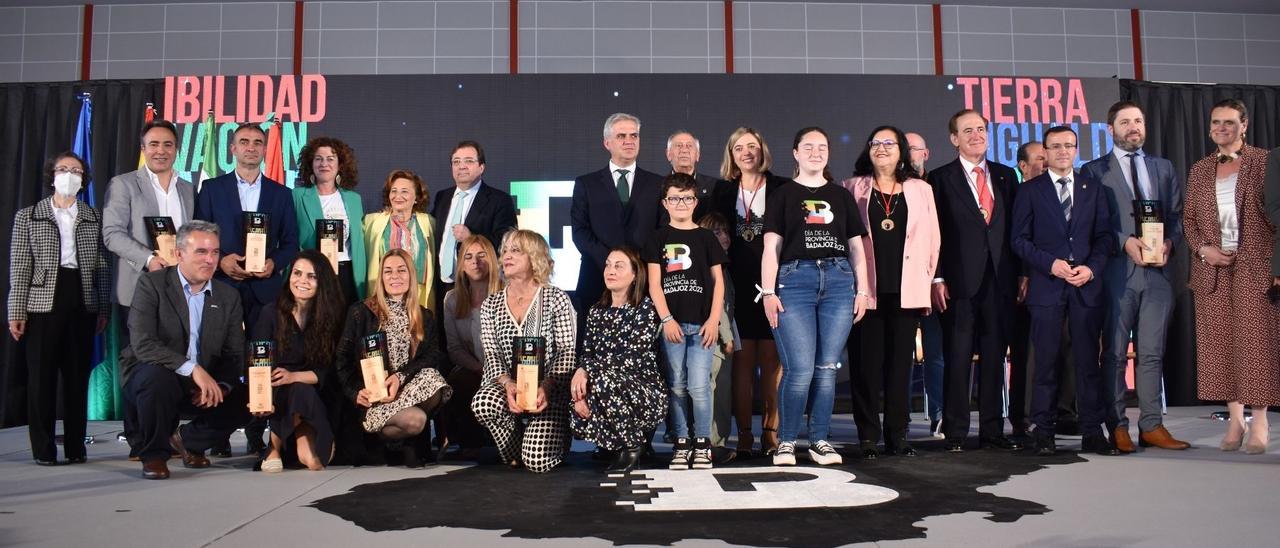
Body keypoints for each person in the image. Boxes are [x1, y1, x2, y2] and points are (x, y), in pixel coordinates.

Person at [1081, 101, 1190, 452]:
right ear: (1110, 128)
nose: (1133, 127)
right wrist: (1124, 242)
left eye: (1139, 121)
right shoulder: (1093, 171)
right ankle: (1117, 425)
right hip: (1116, 273)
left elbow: (1175, 214)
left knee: (1153, 353)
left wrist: (1171, 242)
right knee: (1113, 353)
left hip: (1158, 274)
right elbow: (1091, 225)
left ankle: (1152, 425)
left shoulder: (1163, 167)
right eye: (1125, 122)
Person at [761, 127, 868, 467]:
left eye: (822, 146)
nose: (816, 152)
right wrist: (767, 291)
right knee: (800, 369)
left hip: (839, 281)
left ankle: (820, 440)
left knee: (826, 369)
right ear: (795, 153)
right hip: (794, 281)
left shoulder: (841, 195)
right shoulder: (781, 195)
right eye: (808, 146)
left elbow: (856, 248)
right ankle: (787, 442)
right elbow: (771, 247)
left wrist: (862, 289)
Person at [1011, 126, 1118, 457]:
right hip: (1047, 286)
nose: (1062, 151)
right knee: (1045, 363)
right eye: (1055, 147)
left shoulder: (1094, 189)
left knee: (1087, 363)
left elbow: (1104, 238)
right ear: (1045, 152)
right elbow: (1019, 240)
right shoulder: (1030, 190)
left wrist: (1091, 268)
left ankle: (1091, 430)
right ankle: (1043, 430)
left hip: (1085, 286)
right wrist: (1051, 264)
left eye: (1068, 146)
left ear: (1076, 149)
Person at [194, 122, 299, 456]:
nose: (251, 147)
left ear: (264, 149)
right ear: (232, 148)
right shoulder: (211, 189)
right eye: (244, 141)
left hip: (264, 292)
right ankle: (215, 433)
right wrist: (221, 260)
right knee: (219, 359)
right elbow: (199, 236)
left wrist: (274, 263)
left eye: (257, 142)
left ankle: (257, 431)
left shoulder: (281, 194)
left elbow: (291, 243)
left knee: (261, 360)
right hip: (222, 288)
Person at [119, 221, 250, 480]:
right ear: (179, 254)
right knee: (156, 379)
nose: (210, 259)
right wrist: (193, 369)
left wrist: (221, 385)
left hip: (203, 381)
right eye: (201, 252)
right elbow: (143, 344)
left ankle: (188, 441)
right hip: (157, 373)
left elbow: (234, 353)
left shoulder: (228, 296)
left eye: (215, 252)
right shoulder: (152, 285)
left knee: (252, 394)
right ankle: (155, 456)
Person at [1184, 99, 1278, 455]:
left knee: (1255, 345)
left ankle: (1261, 420)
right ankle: (1236, 420)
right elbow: (1188, 218)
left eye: (1229, 122)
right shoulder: (1200, 168)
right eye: (1216, 122)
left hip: (1255, 265)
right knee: (1220, 344)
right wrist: (1203, 248)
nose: (1221, 128)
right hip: (1213, 268)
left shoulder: (1264, 161)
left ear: (1244, 125)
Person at [927, 109, 1023, 453]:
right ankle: (954, 432)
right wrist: (936, 276)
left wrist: (1023, 273)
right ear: (954, 139)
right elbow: (933, 233)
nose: (976, 135)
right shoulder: (938, 179)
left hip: (1000, 281)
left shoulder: (1005, 176)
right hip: (957, 283)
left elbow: (1015, 229)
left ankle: (993, 431)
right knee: (957, 357)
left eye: (981, 129)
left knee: (996, 357)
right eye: (967, 131)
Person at [843, 126, 940, 459]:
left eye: (889, 143)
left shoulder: (920, 189)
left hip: (906, 291)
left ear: (902, 151)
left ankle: (898, 435)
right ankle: (868, 436)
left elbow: (933, 240)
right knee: (865, 368)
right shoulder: (852, 187)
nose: (881, 148)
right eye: (875, 143)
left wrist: (928, 279)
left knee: (901, 368)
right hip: (865, 292)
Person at [102, 119, 196, 460]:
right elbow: (111, 234)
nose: (161, 151)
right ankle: (138, 437)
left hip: (179, 292)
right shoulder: (125, 184)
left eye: (167, 144)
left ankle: (166, 432)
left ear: (176, 149)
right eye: (153, 144)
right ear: (143, 149)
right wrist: (147, 259)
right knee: (136, 362)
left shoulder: (187, 189)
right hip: (139, 287)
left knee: (171, 362)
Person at [7, 152, 109, 465]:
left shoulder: (92, 216)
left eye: (76, 171)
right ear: (52, 175)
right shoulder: (29, 216)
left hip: (80, 299)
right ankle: (43, 449)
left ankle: (77, 447)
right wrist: (16, 310)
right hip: (41, 304)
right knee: (42, 378)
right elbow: (21, 265)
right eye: (63, 169)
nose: (69, 175)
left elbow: (100, 265)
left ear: (83, 179)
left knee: (77, 379)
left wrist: (103, 306)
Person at [335, 249, 452, 468]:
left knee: (434, 379)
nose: (395, 276)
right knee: (416, 420)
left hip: (407, 392)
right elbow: (342, 361)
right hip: (374, 399)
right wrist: (355, 392)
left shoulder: (423, 315)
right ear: (380, 278)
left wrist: (400, 377)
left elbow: (434, 354)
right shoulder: (361, 312)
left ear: (411, 275)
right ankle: (382, 440)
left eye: (401, 270)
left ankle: (406, 443)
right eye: (388, 271)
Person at [472, 230, 577, 473]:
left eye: (516, 251)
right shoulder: (492, 304)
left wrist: (547, 387)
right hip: (509, 387)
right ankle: (514, 447)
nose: (506, 256)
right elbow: (492, 354)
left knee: (536, 461)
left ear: (535, 258)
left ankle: (551, 440)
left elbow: (566, 352)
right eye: (505, 251)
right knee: (483, 403)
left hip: (549, 391)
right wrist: (509, 385)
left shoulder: (556, 298)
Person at [645, 173, 727, 469]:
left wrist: (714, 319)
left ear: (696, 201)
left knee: (699, 386)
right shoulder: (657, 238)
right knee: (676, 384)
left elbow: (718, 282)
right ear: (665, 202)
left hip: (702, 325)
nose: (681, 203)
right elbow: (655, 284)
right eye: (675, 198)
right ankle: (681, 442)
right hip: (673, 327)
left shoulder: (706, 238)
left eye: (687, 198)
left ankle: (702, 443)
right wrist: (666, 318)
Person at [569, 247, 665, 473]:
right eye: (608, 265)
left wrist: (585, 371)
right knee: (575, 383)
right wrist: (580, 382)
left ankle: (633, 445)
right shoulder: (596, 311)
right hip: (604, 383)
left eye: (618, 266)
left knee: (602, 380)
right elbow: (588, 352)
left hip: (644, 392)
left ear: (634, 275)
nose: (610, 271)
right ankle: (611, 443)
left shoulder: (645, 309)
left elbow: (630, 357)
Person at [721, 127, 786, 456]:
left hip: (773, 285)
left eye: (752, 146)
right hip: (735, 286)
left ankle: (771, 434)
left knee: (772, 361)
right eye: (739, 148)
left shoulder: (782, 187)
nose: (746, 152)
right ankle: (744, 435)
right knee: (742, 364)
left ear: (763, 151)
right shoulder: (721, 191)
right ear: (731, 156)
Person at [250, 250, 344, 472]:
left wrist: (293, 376)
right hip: (276, 391)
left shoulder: (332, 317)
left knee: (301, 389)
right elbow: (258, 363)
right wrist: (260, 399)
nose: (302, 281)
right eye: (297, 273)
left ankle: (282, 444)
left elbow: (330, 369)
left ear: (323, 282)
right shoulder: (270, 313)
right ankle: (280, 445)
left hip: (317, 392)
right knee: (295, 390)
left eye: (311, 276)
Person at [571, 113, 665, 318]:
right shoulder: (587, 184)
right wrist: (613, 264)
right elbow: (580, 231)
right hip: (597, 278)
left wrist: (636, 265)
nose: (629, 141)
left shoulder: (657, 184)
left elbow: (662, 230)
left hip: (645, 281)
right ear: (607, 142)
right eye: (622, 136)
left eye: (634, 136)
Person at [1008, 141, 1060, 438]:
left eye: (1047, 157)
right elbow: (1017, 240)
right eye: (1039, 158)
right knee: (1027, 354)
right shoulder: (1018, 193)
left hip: (1060, 284)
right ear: (1023, 167)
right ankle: (1025, 417)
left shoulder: (1061, 192)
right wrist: (1023, 274)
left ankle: (1061, 412)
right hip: (1025, 285)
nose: (1045, 162)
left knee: (1059, 352)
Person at [440, 235, 501, 457]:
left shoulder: (508, 294)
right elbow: (454, 349)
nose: (475, 262)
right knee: (459, 380)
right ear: (461, 265)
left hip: (506, 371)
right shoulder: (452, 300)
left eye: (481, 255)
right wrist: (479, 369)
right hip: (474, 368)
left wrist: (496, 372)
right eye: (469, 257)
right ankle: (470, 443)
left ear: (492, 260)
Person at [431, 140, 517, 293]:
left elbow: (507, 243)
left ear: (481, 167)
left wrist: (472, 238)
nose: (461, 166)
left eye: (469, 161)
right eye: (456, 161)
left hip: (478, 285)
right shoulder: (442, 197)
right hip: (439, 285)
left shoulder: (499, 200)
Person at [293, 136, 367, 305]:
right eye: (318, 159)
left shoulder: (354, 199)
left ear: (340, 165)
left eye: (330, 159)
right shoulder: (297, 196)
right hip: (313, 272)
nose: (324, 164)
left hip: (347, 273)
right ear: (311, 165)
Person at [906, 130, 945, 438]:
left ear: (926, 153)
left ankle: (940, 414)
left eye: (914, 149)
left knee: (936, 354)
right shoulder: (887, 188)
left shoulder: (940, 185)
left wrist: (938, 276)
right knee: (899, 356)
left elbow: (943, 238)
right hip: (900, 286)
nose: (909, 154)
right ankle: (899, 418)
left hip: (934, 283)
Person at [363, 169, 438, 311]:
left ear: (416, 197)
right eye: (394, 191)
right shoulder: (371, 222)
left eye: (404, 191)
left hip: (420, 296)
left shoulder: (429, 223)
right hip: (385, 295)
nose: (398, 196)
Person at [697, 212, 738, 459]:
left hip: (717, 340)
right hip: (715, 342)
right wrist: (727, 336)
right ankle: (714, 446)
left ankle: (713, 443)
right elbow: (718, 304)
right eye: (715, 232)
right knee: (716, 393)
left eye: (724, 231)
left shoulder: (723, 267)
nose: (723, 237)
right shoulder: (712, 268)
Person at [667, 130, 736, 222]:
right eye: (678, 145)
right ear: (668, 154)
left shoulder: (716, 187)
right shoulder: (657, 187)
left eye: (689, 146)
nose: (684, 150)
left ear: (698, 155)